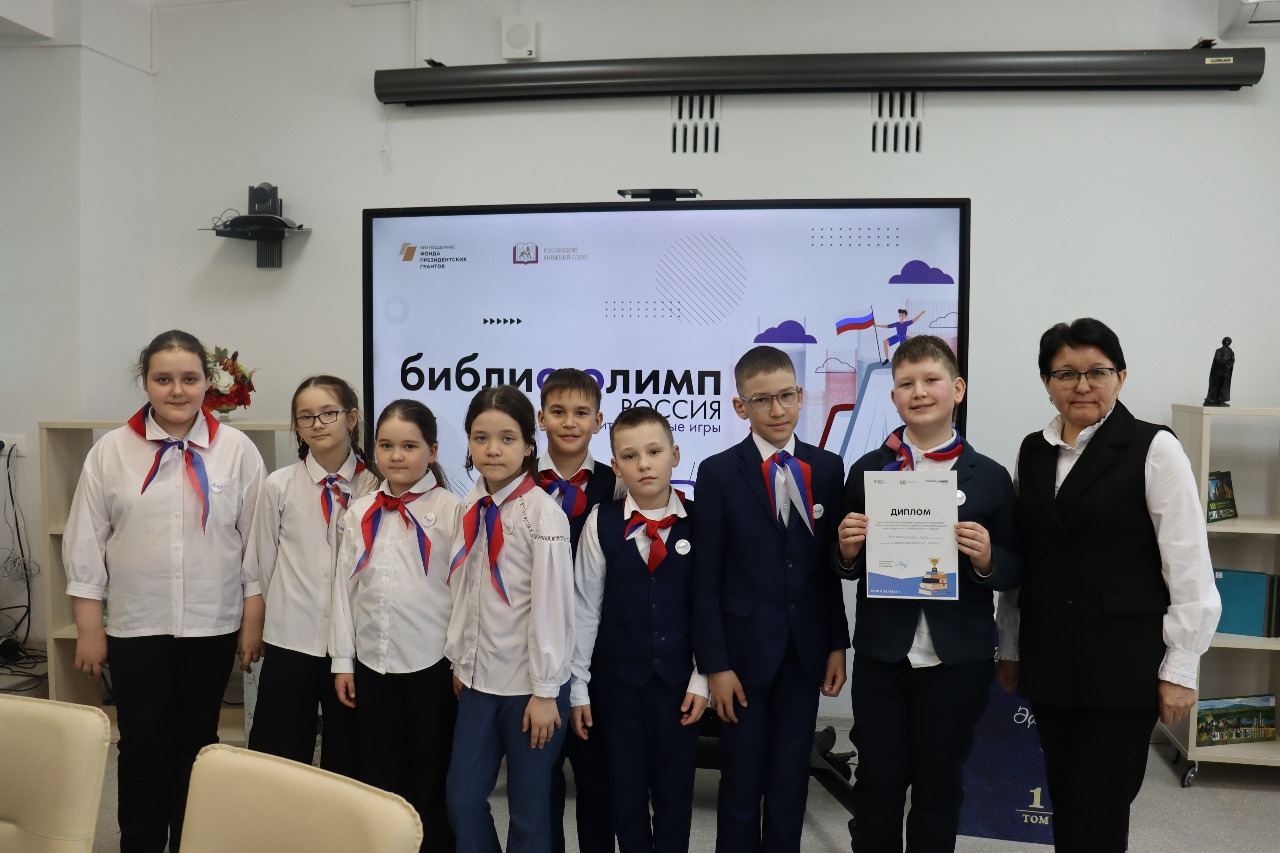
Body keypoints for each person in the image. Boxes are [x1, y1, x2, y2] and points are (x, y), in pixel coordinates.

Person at [997, 318, 1221, 853]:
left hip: (1122, 662)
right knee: (1065, 798)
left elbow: (1188, 563)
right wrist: (1010, 646)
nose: (1082, 385)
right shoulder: (1032, 451)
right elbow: (1028, 558)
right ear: (1047, 382)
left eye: (1097, 371)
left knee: (1100, 805)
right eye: (1066, 373)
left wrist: (1181, 667)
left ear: (1121, 377)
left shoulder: (1154, 448)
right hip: (1050, 656)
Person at [64, 329, 266, 853]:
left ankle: (192, 843)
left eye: (189, 379)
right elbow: (86, 542)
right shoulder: (110, 452)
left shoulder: (237, 451)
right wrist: (89, 627)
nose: (177, 390)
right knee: (143, 744)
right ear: (145, 381)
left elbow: (255, 546)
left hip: (212, 624)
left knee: (198, 744)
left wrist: (252, 621)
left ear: (207, 383)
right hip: (137, 624)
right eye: (163, 379)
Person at [834, 335, 1022, 853]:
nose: (919, 392)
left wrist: (987, 559)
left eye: (931, 380)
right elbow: (842, 565)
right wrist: (846, 550)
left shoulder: (990, 478)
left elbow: (1016, 567)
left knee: (940, 786)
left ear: (957, 389)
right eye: (906, 383)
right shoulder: (868, 469)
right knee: (877, 783)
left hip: (956, 660)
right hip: (883, 657)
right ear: (893, 396)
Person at [691, 344, 849, 853]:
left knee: (789, 782)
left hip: (804, 653)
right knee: (740, 783)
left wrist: (836, 644)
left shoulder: (828, 467)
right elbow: (706, 578)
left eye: (786, 396)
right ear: (741, 406)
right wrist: (715, 665)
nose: (776, 410)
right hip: (741, 658)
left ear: (801, 395)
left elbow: (827, 569)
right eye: (762, 400)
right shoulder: (718, 472)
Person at [569, 405, 708, 853]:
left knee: (674, 797)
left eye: (654, 452)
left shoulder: (702, 521)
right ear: (616, 466)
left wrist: (702, 678)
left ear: (675, 455)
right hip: (617, 686)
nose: (644, 464)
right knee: (624, 796)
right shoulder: (601, 521)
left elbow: (709, 608)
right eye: (630, 456)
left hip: (678, 687)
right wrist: (578, 687)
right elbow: (585, 608)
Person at [444, 386, 575, 853]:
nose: (493, 450)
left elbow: (554, 608)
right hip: (478, 683)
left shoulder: (543, 514)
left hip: (530, 688)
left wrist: (546, 691)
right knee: (462, 800)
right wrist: (462, 660)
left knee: (529, 812)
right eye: (481, 438)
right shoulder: (469, 506)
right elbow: (465, 593)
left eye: (506, 438)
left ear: (528, 445)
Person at [330, 399, 462, 852]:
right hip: (373, 663)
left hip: (433, 665)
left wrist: (460, 661)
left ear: (433, 451)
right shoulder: (360, 510)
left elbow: (464, 594)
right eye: (386, 446)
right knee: (380, 775)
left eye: (409, 446)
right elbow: (344, 591)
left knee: (431, 774)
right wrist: (343, 661)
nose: (397, 455)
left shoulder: (453, 511)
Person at [244, 375, 377, 774]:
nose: (317, 423)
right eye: (306, 417)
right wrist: (259, 624)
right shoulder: (279, 485)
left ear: (351, 418)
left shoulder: (376, 486)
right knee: (279, 751)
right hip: (291, 637)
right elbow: (262, 563)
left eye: (328, 413)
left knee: (349, 752)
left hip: (353, 643)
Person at [535, 368, 625, 853]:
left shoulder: (616, 483)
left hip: (597, 652)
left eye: (581, 413)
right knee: (540, 779)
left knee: (596, 778)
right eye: (558, 411)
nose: (569, 422)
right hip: (534, 651)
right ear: (540, 418)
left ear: (598, 420)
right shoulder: (520, 478)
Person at [1203, 336, 1234, 406]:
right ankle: (1211, 400)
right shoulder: (1219, 351)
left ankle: (1220, 399)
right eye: (1226, 341)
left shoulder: (1231, 352)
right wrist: (1225, 364)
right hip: (1218, 372)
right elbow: (1218, 359)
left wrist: (1229, 365)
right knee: (1214, 385)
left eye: (1229, 341)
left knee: (1223, 386)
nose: (1227, 342)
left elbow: (1232, 359)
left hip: (1226, 372)